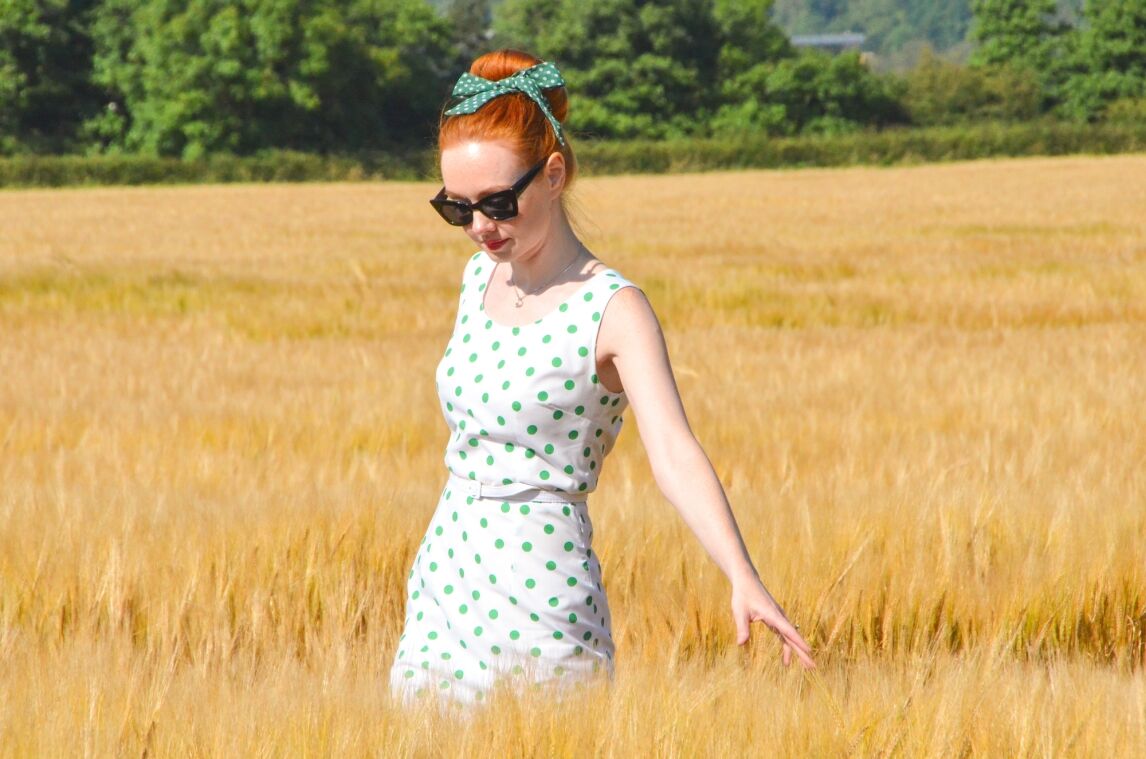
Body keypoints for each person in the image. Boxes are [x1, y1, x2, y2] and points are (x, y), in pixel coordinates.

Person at [389, 49, 813, 703]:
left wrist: (742, 573)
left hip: (542, 591)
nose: (479, 228)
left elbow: (674, 451)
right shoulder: (478, 277)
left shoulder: (614, 310)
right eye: (456, 208)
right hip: (444, 579)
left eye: (498, 202)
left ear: (553, 175)